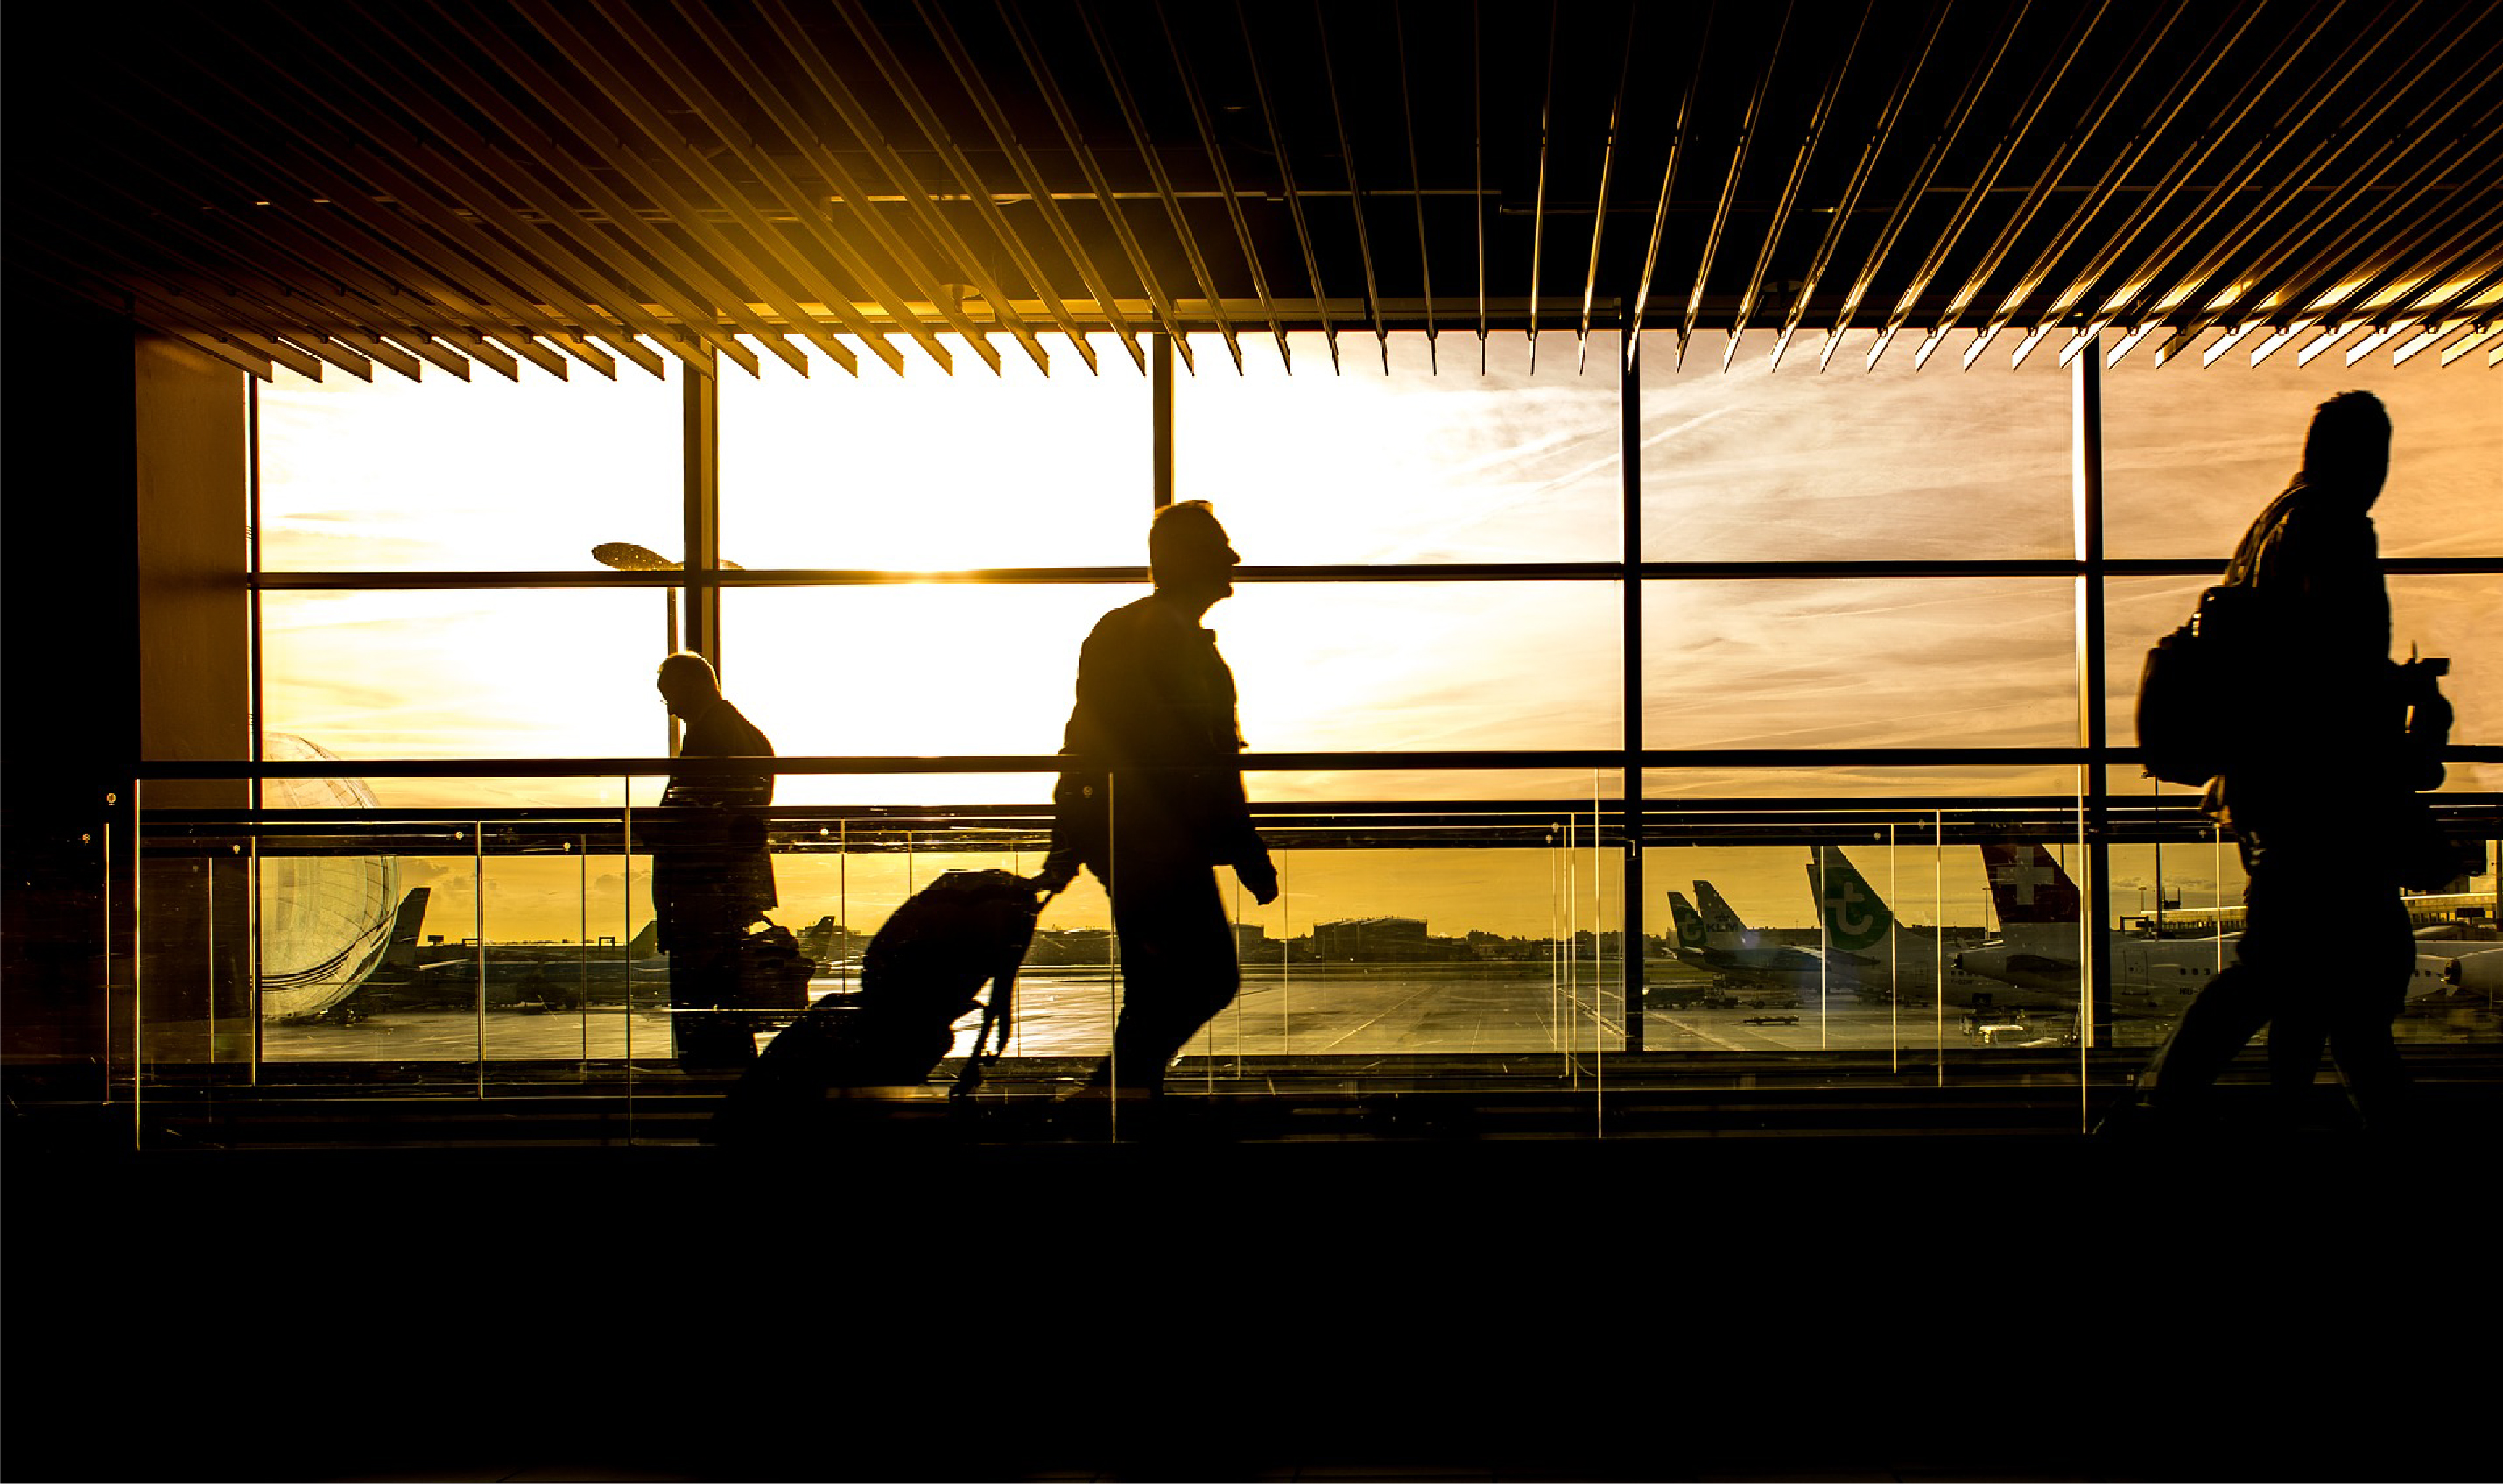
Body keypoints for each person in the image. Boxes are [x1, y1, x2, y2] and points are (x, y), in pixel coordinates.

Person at [2123, 390, 2432, 1132]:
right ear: (2359, 456)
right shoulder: (2335, 528)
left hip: (2269, 789)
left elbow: (2286, 665)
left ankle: (2171, 1108)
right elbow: (2331, 673)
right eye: (2377, 457)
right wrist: (2398, 694)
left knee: (2300, 976)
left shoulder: (2270, 528)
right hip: (2319, 793)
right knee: (2315, 980)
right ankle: (2158, 1108)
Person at [1035, 501, 1279, 1097]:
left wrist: (1069, 840)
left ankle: (1122, 1100)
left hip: (1140, 837)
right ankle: (1114, 1097)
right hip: (1154, 840)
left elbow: (1087, 741)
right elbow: (1204, 763)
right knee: (1205, 977)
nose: (1234, 557)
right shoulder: (1159, 639)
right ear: (1188, 559)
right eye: (1220, 545)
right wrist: (1245, 850)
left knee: (1163, 983)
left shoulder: (1146, 635)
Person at [650, 651, 778, 1068]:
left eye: (670, 694)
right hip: (725, 889)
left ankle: (713, 1090)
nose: (670, 706)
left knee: (704, 1007)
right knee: (726, 1006)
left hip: (703, 890)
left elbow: (702, 818)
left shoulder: (712, 735)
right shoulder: (746, 733)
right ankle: (731, 1088)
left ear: (694, 685)